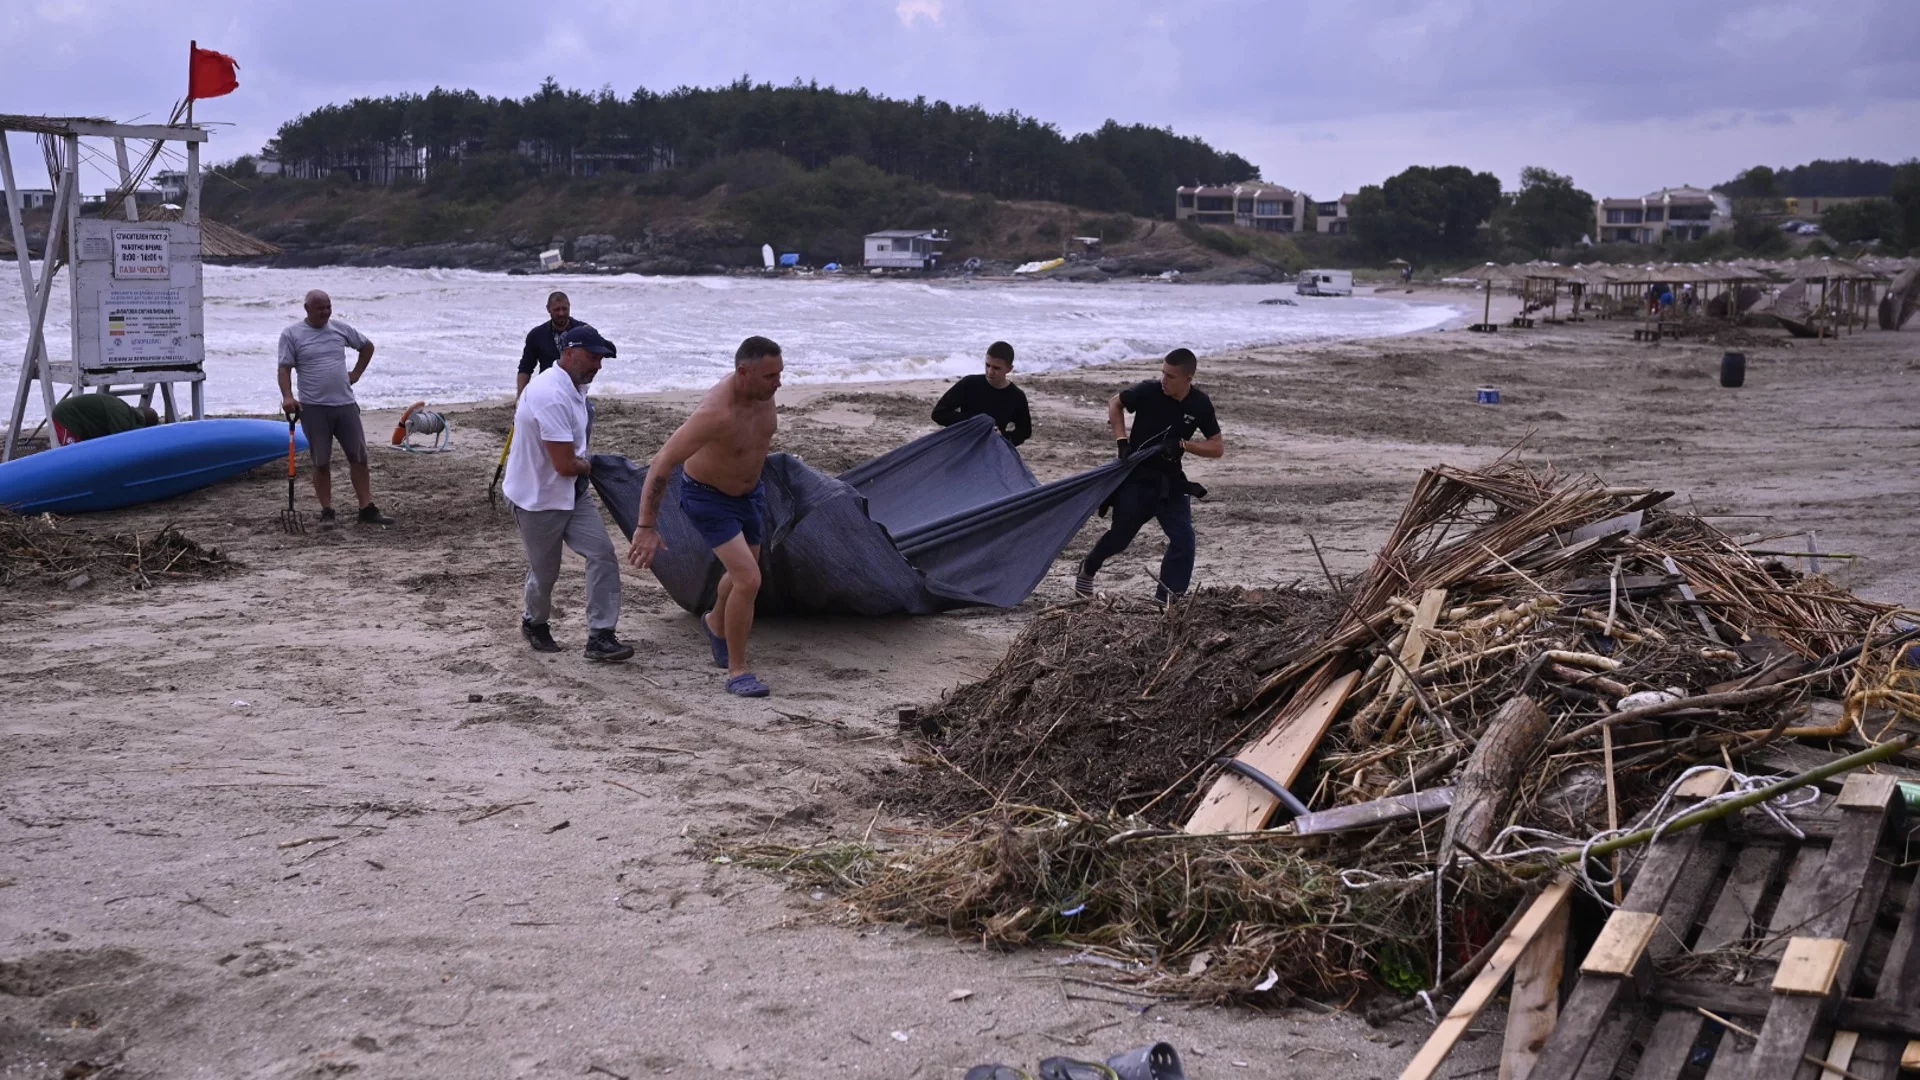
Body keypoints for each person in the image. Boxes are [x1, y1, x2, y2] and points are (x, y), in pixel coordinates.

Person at [627, 336, 784, 698]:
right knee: (748, 580)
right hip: (708, 499)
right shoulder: (716, 412)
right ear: (743, 373)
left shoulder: (763, 392)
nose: (778, 383)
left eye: (780, 374)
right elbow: (663, 462)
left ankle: (715, 622)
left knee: (742, 575)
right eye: (770, 376)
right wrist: (647, 526)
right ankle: (737, 671)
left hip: (751, 496)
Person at [502, 325, 634, 662]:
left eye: (602, 359)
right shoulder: (549, 393)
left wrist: (585, 466)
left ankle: (600, 636)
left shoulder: (576, 384)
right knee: (546, 572)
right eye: (593, 357)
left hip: (573, 493)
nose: (598, 366)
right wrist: (590, 465)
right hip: (538, 498)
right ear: (569, 352)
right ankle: (534, 622)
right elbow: (564, 464)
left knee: (603, 554)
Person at [1075, 348, 1224, 603]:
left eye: (1171, 376)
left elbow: (1217, 447)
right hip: (1136, 479)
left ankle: (1166, 601)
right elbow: (1115, 403)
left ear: (1188, 378)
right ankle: (1088, 568)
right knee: (1119, 540)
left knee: (1184, 541)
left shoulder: (1199, 404)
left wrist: (1184, 445)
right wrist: (1121, 441)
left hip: (1171, 483)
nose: (1164, 380)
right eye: (1162, 373)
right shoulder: (1148, 391)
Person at [277, 289, 394, 529]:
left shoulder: (340, 329)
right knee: (321, 461)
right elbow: (284, 368)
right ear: (307, 308)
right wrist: (288, 396)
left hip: (345, 405)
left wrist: (356, 374)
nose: (326, 312)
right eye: (320, 308)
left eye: (328, 307)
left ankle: (366, 508)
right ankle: (327, 511)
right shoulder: (292, 334)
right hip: (313, 407)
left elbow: (367, 346)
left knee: (359, 457)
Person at [931, 340, 1032, 446]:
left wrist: (1002, 437)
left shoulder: (1016, 396)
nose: (990, 371)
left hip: (992, 448)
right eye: (987, 365)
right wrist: (977, 422)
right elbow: (939, 413)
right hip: (962, 445)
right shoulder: (969, 384)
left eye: (996, 368)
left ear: (1009, 369)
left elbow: (1024, 431)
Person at [517, 291, 586, 397]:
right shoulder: (536, 334)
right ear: (548, 309)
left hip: (576, 391)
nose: (561, 313)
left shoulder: (583, 331)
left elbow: (599, 353)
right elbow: (525, 368)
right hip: (547, 390)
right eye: (556, 309)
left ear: (569, 306)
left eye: (564, 309)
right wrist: (521, 397)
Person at [50, 394, 158, 445]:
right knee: (72, 453)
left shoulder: (125, 411)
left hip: (83, 421)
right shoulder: (123, 419)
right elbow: (119, 443)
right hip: (66, 415)